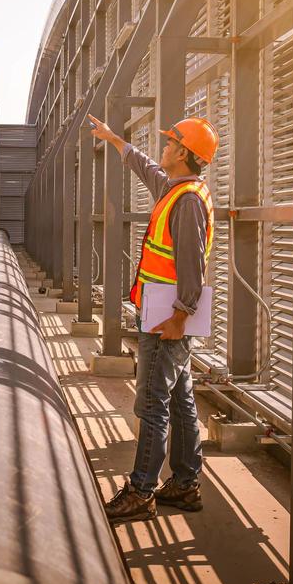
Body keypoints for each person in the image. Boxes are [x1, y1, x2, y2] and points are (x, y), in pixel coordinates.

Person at [88, 113, 218, 524]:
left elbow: (193, 265)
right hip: (160, 312)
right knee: (179, 400)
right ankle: (184, 482)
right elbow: (144, 164)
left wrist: (181, 315)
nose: (162, 147)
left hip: (167, 319)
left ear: (184, 152)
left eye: (169, 142)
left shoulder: (189, 202)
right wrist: (113, 139)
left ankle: (142, 490)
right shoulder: (176, 188)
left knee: (152, 401)